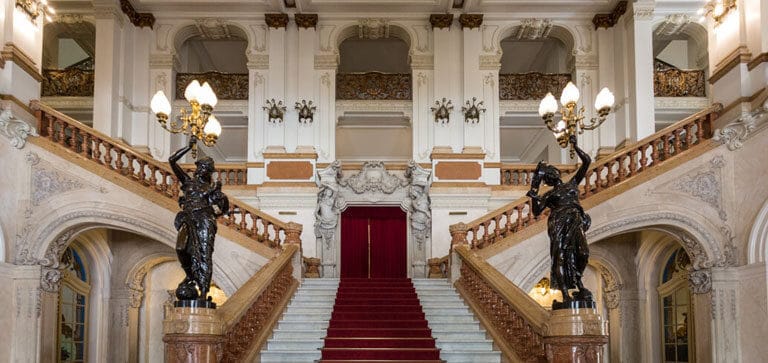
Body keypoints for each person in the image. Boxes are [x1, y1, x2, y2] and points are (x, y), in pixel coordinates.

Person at [526, 135, 593, 306]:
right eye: (549, 173)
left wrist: (575, 146)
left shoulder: (572, 184)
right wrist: (534, 194)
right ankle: (565, 292)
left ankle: (578, 282)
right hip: (558, 222)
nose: (552, 173)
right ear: (547, 179)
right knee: (560, 257)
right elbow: (536, 211)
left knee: (583, 253)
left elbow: (586, 161)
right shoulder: (548, 195)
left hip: (575, 220)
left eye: (552, 170)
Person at [169, 137, 229, 303]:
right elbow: (172, 161)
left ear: (209, 171)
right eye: (200, 167)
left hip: (204, 220)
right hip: (188, 218)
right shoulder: (188, 183)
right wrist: (188, 147)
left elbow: (223, 208)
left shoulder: (211, 188)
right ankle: (190, 276)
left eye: (205, 168)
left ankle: (203, 291)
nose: (201, 170)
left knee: (204, 254)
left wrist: (218, 196)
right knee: (181, 248)